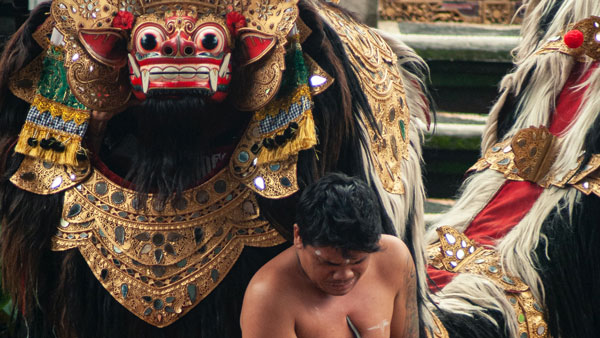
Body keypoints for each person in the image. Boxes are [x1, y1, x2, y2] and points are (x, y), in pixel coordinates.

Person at [240, 173, 418, 338]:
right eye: (329, 264)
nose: (344, 275)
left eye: (358, 261)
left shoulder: (394, 257)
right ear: (298, 237)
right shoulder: (268, 298)